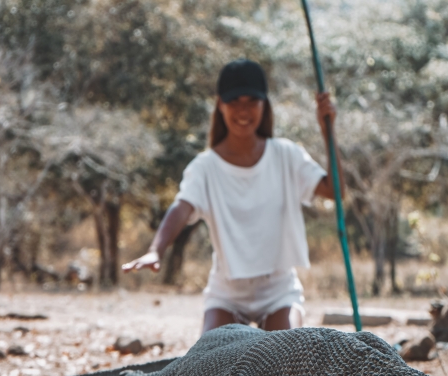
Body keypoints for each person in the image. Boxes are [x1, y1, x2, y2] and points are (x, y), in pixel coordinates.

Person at [122, 58, 344, 333]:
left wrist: (328, 132)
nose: (243, 110)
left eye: (252, 101)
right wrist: (155, 250)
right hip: (227, 294)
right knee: (212, 360)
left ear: (265, 104)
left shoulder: (286, 155)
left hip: (279, 290)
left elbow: (336, 191)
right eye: (233, 101)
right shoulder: (205, 167)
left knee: (286, 357)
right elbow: (182, 207)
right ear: (220, 104)